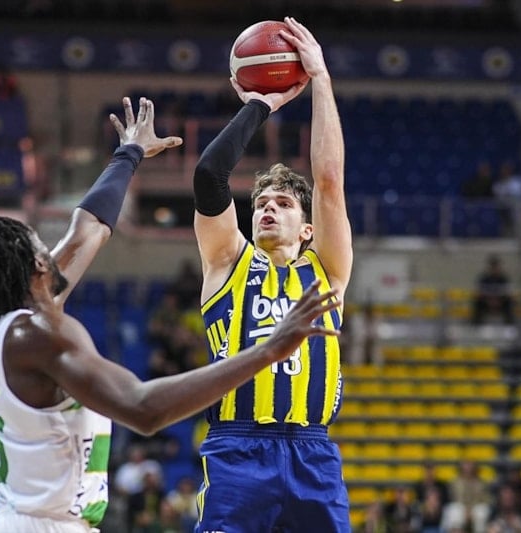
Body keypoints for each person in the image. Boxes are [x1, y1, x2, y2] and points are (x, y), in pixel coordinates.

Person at [0, 96, 340, 533]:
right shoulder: (40, 333)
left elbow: (88, 231)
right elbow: (143, 408)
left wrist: (129, 153)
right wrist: (268, 350)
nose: (53, 250)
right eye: (42, 246)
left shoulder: (10, 322)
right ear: (37, 266)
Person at [189, 17, 352, 532]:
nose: (267, 209)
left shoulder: (327, 269)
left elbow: (329, 181)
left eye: (282, 204)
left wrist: (320, 78)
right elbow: (209, 176)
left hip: (312, 453)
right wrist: (261, 104)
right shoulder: (227, 262)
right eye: (261, 203)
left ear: (307, 229)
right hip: (238, 449)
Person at [471, 254, 515, 325]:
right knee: (477, 302)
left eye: (496, 267)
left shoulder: (504, 279)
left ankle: (510, 325)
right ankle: (476, 325)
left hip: (501, 302)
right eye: (493, 267)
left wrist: (499, 301)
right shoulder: (483, 279)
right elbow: (479, 292)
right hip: (486, 302)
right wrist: (489, 301)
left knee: (509, 302)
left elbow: (508, 292)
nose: (494, 269)